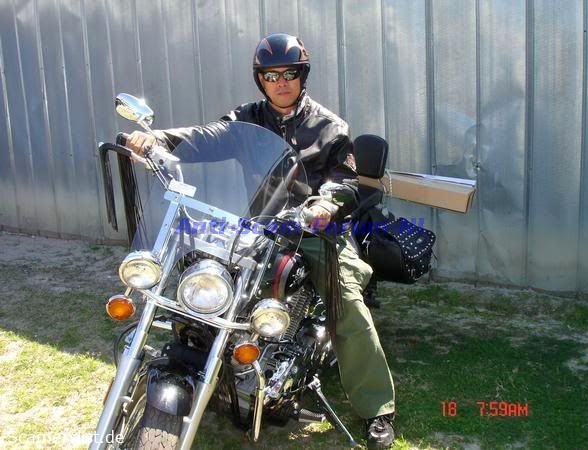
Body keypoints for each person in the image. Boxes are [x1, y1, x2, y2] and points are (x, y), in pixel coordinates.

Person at [125, 33, 396, 449]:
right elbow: (208, 135)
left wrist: (325, 203)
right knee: (206, 276)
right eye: (271, 75)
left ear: (302, 76)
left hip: (316, 233)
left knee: (346, 304)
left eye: (289, 73)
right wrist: (158, 140)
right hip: (259, 226)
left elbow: (345, 180)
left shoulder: (330, 127)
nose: (281, 82)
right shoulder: (248, 118)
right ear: (260, 80)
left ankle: (377, 409)